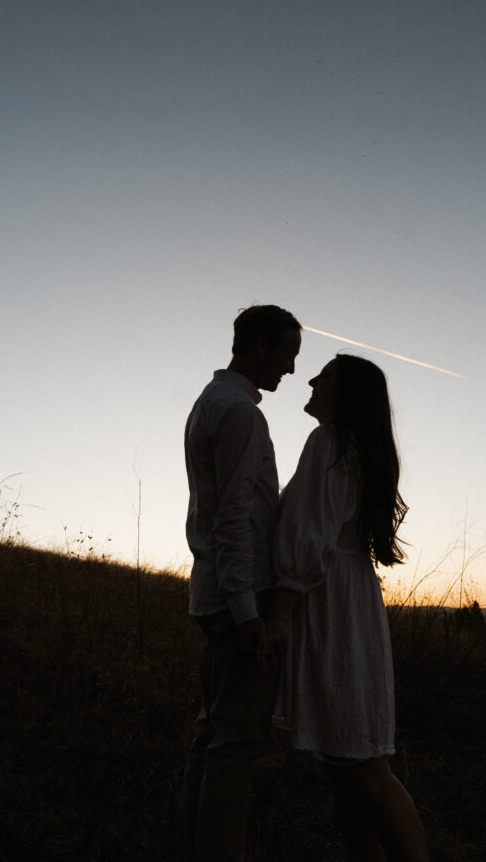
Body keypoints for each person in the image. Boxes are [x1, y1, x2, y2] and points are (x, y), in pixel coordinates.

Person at [268, 354, 429, 862]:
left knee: (364, 766)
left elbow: (309, 538)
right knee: (345, 765)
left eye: (326, 376)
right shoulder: (355, 449)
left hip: (332, 605)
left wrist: (278, 614)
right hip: (349, 600)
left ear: (349, 393)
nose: (312, 380)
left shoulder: (330, 444)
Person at [178, 305, 302, 862]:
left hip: (214, 594)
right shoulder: (241, 414)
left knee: (212, 738)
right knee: (234, 746)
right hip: (236, 601)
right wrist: (250, 612)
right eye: (287, 354)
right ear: (259, 346)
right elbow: (233, 518)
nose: (291, 370)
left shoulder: (211, 403)